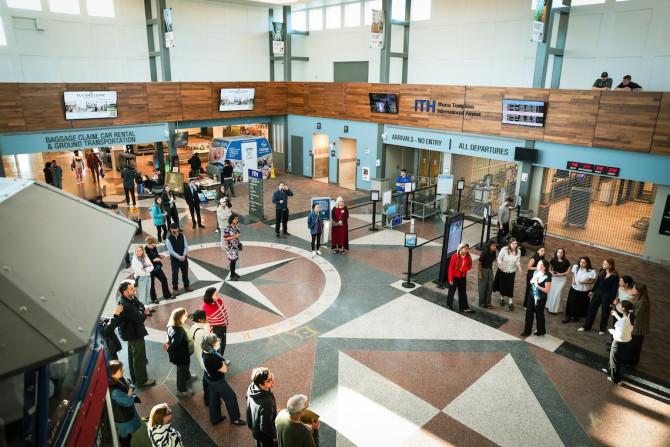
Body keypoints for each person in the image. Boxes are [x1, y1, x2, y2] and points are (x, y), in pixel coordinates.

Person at [200, 333, 246, 426]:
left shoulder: (204, 351)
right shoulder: (212, 358)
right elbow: (224, 369)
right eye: (215, 341)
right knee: (231, 396)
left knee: (213, 398)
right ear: (211, 346)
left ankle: (215, 418)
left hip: (209, 378)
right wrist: (222, 361)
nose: (218, 342)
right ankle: (235, 419)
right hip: (218, 381)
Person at [117, 281, 155, 387]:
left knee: (132, 355)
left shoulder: (131, 298)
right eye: (131, 288)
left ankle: (135, 376)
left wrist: (140, 310)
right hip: (133, 334)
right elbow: (140, 318)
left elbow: (140, 304)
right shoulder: (126, 305)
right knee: (139, 357)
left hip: (131, 332)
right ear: (125, 292)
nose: (134, 289)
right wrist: (144, 312)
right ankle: (142, 381)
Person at [579, 258, 619, 334]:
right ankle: (586, 326)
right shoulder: (602, 270)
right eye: (603, 263)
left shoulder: (615, 276)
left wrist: (611, 301)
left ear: (610, 266)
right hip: (598, 292)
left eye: (605, 264)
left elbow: (614, 289)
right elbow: (597, 282)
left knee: (605, 312)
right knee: (591, 309)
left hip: (607, 295)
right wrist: (592, 291)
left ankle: (602, 329)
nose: (602, 265)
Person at [108, 360, 142, 447]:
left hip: (125, 414)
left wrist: (130, 386)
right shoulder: (114, 392)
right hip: (123, 418)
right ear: (112, 374)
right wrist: (130, 388)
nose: (123, 371)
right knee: (125, 436)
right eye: (120, 370)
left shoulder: (117, 379)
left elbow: (128, 383)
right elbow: (129, 401)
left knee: (126, 435)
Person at [165, 308, 196, 397]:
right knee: (181, 371)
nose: (186, 314)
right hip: (181, 355)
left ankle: (187, 378)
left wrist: (168, 344)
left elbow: (170, 338)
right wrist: (168, 346)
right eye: (184, 314)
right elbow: (175, 344)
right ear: (180, 317)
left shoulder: (171, 325)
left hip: (182, 354)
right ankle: (181, 390)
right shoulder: (178, 330)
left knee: (185, 367)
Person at [602, 300, 634, 385]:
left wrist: (612, 331)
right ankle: (609, 370)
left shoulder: (624, 321)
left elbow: (620, 333)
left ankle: (616, 379)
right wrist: (616, 314)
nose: (619, 305)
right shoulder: (630, 317)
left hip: (618, 342)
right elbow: (623, 323)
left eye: (621, 305)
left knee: (614, 360)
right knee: (615, 357)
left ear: (623, 308)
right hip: (625, 340)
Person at [246, 367, 278, 447]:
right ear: (261, 384)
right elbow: (266, 427)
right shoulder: (267, 402)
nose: (272, 380)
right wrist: (275, 436)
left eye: (272, 377)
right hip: (265, 437)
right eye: (269, 380)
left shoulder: (252, 387)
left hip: (255, 429)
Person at [521, 259, 552, 337]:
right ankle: (527, 331)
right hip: (532, 295)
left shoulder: (547, 276)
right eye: (537, 264)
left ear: (544, 267)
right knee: (529, 313)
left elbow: (547, 290)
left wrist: (538, 286)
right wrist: (533, 281)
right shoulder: (536, 272)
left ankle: (541, 331)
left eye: (539, 264)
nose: (537, 265)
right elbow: (531, 282)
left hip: (540, 298)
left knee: (539, 314)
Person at [200, 287, 231, 365]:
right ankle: (217, 364)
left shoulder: (217, 299)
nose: (218, 295)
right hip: (215, 332)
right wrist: (213, 335)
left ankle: (221, 360)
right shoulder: (204, 308)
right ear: (210, 296)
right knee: (217, 349)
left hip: (222, 329)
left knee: (223, 345)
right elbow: (205, 324)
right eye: (216, 294)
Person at [622, 283, 650, 367]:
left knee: (630, 345)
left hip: (637, 328)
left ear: (638, 291)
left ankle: (624, 361)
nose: (632, 289)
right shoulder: (641, 299)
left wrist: (627, 314)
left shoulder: (641, 302)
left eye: (633, 288)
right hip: (640, 328)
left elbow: (636, 315)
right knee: (637, 346)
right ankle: (633, 361)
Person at [562, 256, 596, 324]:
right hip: (574, 288)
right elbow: (573, 274)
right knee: (571, 302)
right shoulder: (576, 267)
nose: (581, 264)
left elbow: (592, 281)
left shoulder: (591, 271)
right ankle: (568, 316)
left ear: (587, 263)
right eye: (581, 262)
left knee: (580, 304)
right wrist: (573, 280)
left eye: (584, 263)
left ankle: (576, 316)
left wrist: (584, 282)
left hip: (584, 290)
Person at [493, 237, 522, 310]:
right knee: (502, 284)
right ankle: (502, 298)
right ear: (510, 244)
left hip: (511, 271)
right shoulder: (504, 250)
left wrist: (519, 267)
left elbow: (518, 261)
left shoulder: (518, 251)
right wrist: (501, 265)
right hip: (503, 270)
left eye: (516, 244)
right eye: (513, 244)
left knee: (510, 286)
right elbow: (499, 259)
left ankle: (510, 302)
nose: (515, 245)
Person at [189, 310, 211, 406]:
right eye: (206, 317)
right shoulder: (204, 332)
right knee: (208, 378)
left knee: (206, 376)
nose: (208, 318)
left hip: (200, 356)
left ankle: (207, 398)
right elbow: (214, 346)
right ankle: (208, 399)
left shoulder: (193, 327)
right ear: (200, 319)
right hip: (207, 358)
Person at [166, 223, 193, 296]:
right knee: (175, 274)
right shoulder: (168, 239)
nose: (177, 230)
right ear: (171, 229)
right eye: (175, 229)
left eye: (177, 228)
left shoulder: (182, 236)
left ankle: (186, 285)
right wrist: (179, 257)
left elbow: (186, 246)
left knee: (185, 272)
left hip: (184, 258)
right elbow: (171, 251)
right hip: (175, 260)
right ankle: (175, 288)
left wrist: (184, 255)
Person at [145, 236, 175, 303]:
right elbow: (146, 261)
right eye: (153, 245)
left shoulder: (154, 247)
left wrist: (159, 256)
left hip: (157, 267)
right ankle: (154, 299)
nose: (154, 246)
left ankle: (167, 295)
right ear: (148, 244)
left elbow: (155, 255)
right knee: (152, 284)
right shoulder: (145, 251)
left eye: (154, 245)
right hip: (150, 270)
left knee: (164, 280)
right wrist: (154, 260)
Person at [446, 242, 473, 313]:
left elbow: (470, 266)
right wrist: (450, 278)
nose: (467, 250)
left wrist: (464, 269)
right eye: (465, 248)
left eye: (468, 249)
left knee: (463, 292)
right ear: (461, 248)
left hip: (463, 277)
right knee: (452, 291)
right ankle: (449, 305)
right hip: (455, 277)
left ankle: (464, 307)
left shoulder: (468, 256)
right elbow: (451, 268)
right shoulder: (455, 256)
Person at [546, 248, 570, 315]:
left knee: (558, 294)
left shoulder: (566, 261)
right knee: (552, 293)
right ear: (556, 253)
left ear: (563, 254)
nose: (560, 253)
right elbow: (549, 267)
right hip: (554, 278)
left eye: (561, 252)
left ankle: (556, 309)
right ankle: (550, 307)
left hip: (562, 279)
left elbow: (568, 271)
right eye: (558, 252)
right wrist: (551, 272)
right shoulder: (553, 260)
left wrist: (561, 274)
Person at [223, 213, 242, 280]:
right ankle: (232, 274)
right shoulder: (227, 227)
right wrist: (234, 236)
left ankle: (233, 272)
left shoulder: (237, 225)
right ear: (231, 219)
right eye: (235, 219)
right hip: (230, 246)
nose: (237, 220)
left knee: (235, 259)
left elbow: (239, 233)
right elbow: (225, 238)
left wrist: (238, 235)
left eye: (237, 219)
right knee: (233, 260)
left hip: (236, 245)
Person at [477, 240, 497, 308]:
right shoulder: (484, 253)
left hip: (490, 270)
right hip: (483, 270)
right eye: (493, 245)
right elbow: (479, 264)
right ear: (489, 246)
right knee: (483, 287)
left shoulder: (494, 253)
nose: (495, 247)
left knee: (490, 287)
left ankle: (488, 303)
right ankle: (482, 303)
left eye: (495, 245)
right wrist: (480, 274)